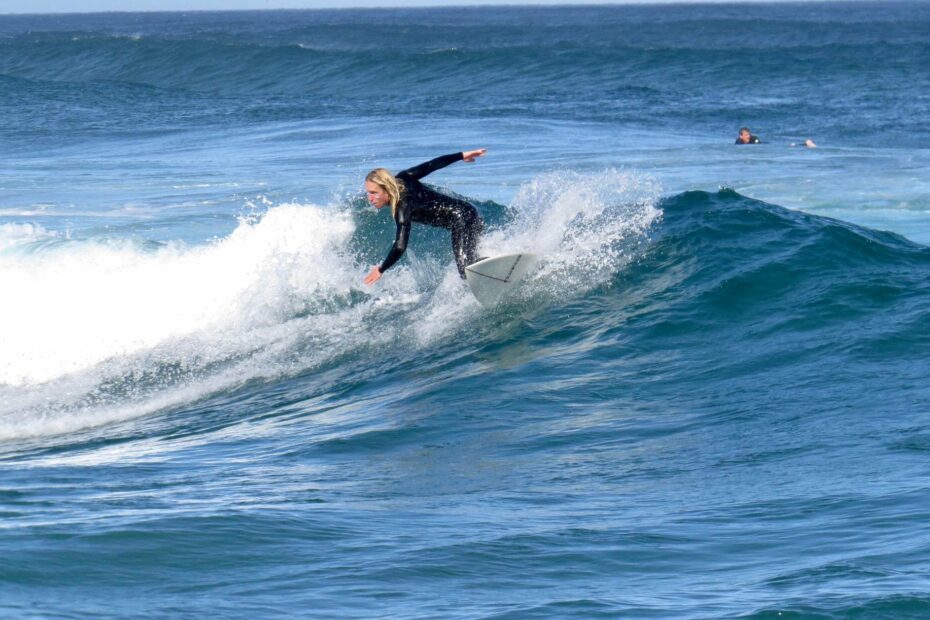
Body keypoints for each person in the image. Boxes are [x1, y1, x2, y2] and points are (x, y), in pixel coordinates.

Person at [363, 149, 486, 286]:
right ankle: (495, 273)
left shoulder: (402, 207)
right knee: (470, 266)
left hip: (462, 218)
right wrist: (462, 155)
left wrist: (381, 269)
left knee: (466, 270)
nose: (370, 198)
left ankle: (495, 272)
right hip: (469, 213)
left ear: (386, 189)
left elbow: (400, 246)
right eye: (368, 193)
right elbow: (432, 165)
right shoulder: (404, 177)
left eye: (374, 193)